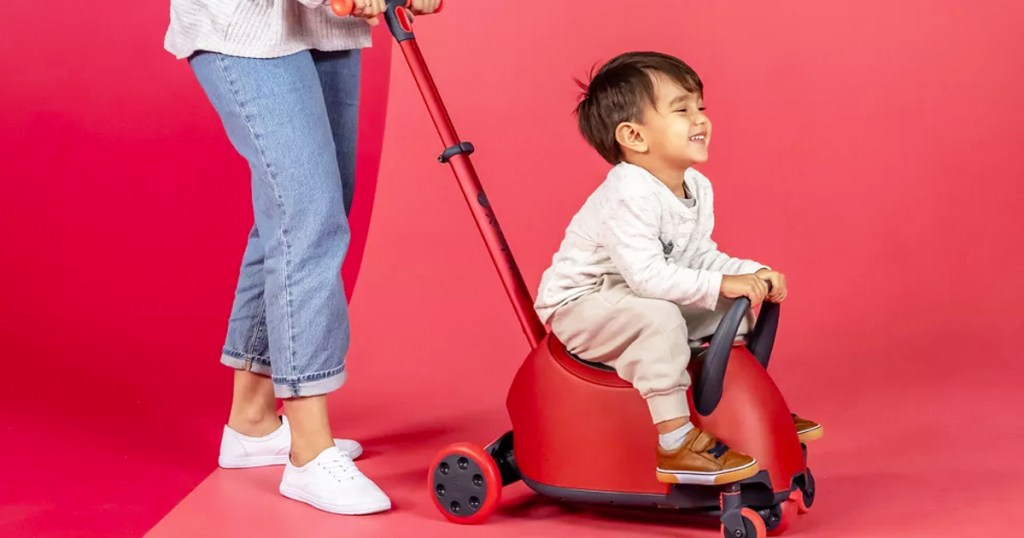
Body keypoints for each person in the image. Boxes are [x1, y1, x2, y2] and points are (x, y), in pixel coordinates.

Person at [164, 0, 441, 515]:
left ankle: (252, 422)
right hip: (241, 26)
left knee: (300, 213)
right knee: (308, 217)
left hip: (323, 22)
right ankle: (311, 451)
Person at [534, 51, 823, 486]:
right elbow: (647, 277)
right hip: (584, 303)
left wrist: (750, 273)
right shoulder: (629, 192)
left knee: (732, 305)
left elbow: (698, 256)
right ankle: (676, 442)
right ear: (634, 136)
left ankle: (739, 404)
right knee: (661, 318)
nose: (700, 119)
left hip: (632, 293)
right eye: (682, 110)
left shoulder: (696, 187)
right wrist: (722, 281)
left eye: (701, 107)